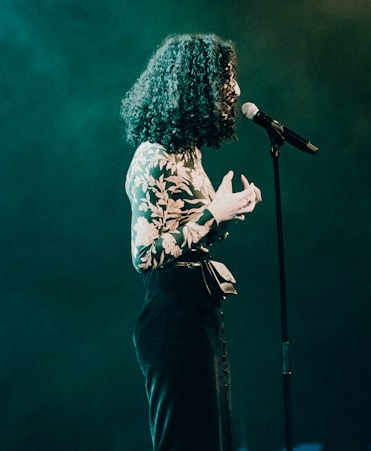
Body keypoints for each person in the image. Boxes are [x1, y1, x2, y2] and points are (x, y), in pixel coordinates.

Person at [121, 33, 262, 451]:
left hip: (199, 309)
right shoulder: (154, 155)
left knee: (213, 438)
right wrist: (211, 214)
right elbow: (145, 254)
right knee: (186, 440)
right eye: (225, 79)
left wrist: (226, 211)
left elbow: (189, 234)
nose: (235, 90)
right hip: (172, 317)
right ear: (193, 85)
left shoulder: (189, 153)